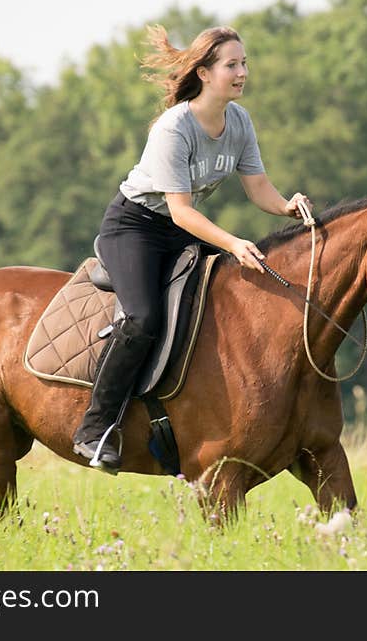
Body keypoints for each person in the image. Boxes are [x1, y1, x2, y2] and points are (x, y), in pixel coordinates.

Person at [72, 25, 313, 472]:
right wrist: (234, 243)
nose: (242, 73)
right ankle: (95, 427)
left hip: (181, 231)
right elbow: (181, 211)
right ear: (204, 73)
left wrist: (286, 207)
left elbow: (258, 188)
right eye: (232, 65)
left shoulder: (239, 121)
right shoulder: (174, 127)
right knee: (143, 318)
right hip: (135, 227)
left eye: (244, 64)